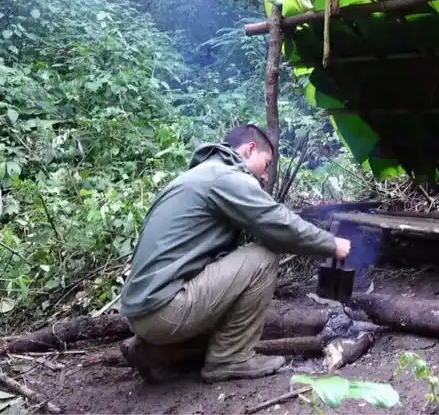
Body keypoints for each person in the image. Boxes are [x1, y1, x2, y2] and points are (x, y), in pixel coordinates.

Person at [117, 124, 351, 383]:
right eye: (267, 163)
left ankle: (162, 353)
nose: (265, 176)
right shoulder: (225, 177)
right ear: (250, 150)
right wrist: (332, 243)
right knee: (263, 256)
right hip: (163, 311)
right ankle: (230, 358)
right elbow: (278, 223)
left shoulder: (200, 175)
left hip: (140, 312)